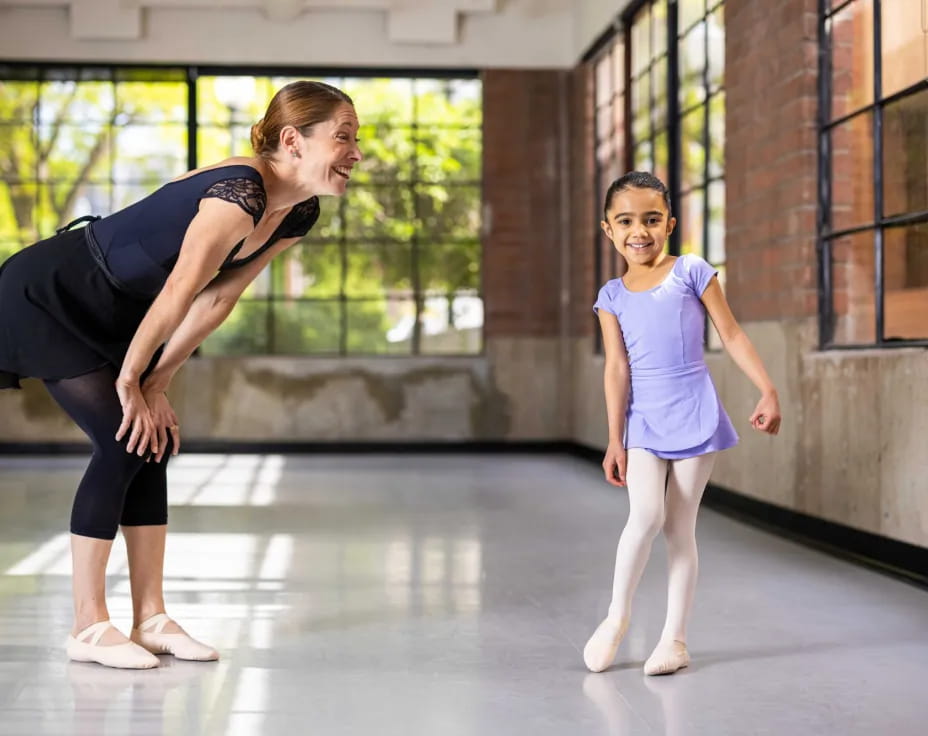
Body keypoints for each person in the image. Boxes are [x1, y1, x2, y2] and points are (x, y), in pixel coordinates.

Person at [0, 80, 362, 669]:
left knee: (152, 441)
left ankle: (151, 618)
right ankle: (88, 626)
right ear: (294, 140)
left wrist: (156, 382)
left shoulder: (299, 210)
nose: (356, 152)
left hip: (120, 312)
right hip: (51, 293)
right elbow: (181, 288)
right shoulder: (238, 191)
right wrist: (129, 383)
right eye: (343, 137)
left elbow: (217, 301)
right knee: (123, 441)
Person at [583, 171, 781, 676]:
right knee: (644, 516)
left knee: (678, 527)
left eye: (651, 219)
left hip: (695, 412)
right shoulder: (611, 296)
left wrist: (768, 389)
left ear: (670, 223)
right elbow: (616, 368)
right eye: (625, 221)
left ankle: (674, 640)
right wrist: (613, 439)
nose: (639, 232)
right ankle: (616, 617)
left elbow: (731, 334)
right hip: (643, 420)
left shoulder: (692, 271)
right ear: (608, 229)